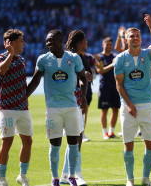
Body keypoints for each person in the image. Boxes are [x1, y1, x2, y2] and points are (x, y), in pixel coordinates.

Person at [27, 29, 88, 186]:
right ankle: (55, 179)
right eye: (47, 41)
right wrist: (24, 96)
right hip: (53, 109)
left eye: (51, 41)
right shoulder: (43, 59)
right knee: (54, 145)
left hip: (72, 108)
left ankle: (72, 176)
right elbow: (35, 80)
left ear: (60, 41)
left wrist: (82, 95)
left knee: (74, 142)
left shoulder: (73, 58)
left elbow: (83, 78)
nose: (48, 44)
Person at [114, 14, 151, 186]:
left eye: (137, 36)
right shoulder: (120, 59)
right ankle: (130, 179)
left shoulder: (147, 55)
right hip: (128, 108)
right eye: (131, 36)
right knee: (128, 145)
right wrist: (129, 104)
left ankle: (146, 178)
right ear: (126, 40)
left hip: (147, 106)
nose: (135, 38)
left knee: (150, 145)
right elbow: (119, 85)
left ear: (141, 39)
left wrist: (150, 27)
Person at [0, 29, 33, 186]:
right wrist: (10, 54)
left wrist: (26, 101)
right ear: (11, 43)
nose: (23, 43)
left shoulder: (22, 60)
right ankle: (1, 178)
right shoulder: (0, 57)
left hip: (22, 108)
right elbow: (1, 71)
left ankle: (22, 176)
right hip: (7, 108)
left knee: (28, 141)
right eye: (21, 40)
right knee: (7, 142)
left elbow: (22, 83)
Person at [59, 30, 91, 186]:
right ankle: (75, 174)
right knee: (76, 138)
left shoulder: (78, 57)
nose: (86, 43)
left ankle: (66, 175)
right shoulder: (72, 58)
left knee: (75, 138)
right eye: (84, 40)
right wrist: (81, 79)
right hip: (72, 102)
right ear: (79, 42)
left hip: (77, 101)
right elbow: (66, 78)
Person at [96, 36, 122, 139]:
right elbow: (100, 71)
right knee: (104, 110)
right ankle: (105, 132)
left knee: (116, 109)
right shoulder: (99, 57)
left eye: (111, 45)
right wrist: (112, 65)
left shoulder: (115, 56)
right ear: (103, 45)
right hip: (104, 87)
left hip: (115, 86)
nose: (109, 46)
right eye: (107, 44)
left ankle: (111, 132)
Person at [82, 52, 96, 142]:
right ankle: (79, 132)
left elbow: (95, 71)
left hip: (88, 87)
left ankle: (82, 132)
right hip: (76, 87)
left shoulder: (90, 57)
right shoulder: (71, 56)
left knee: (85, 109)